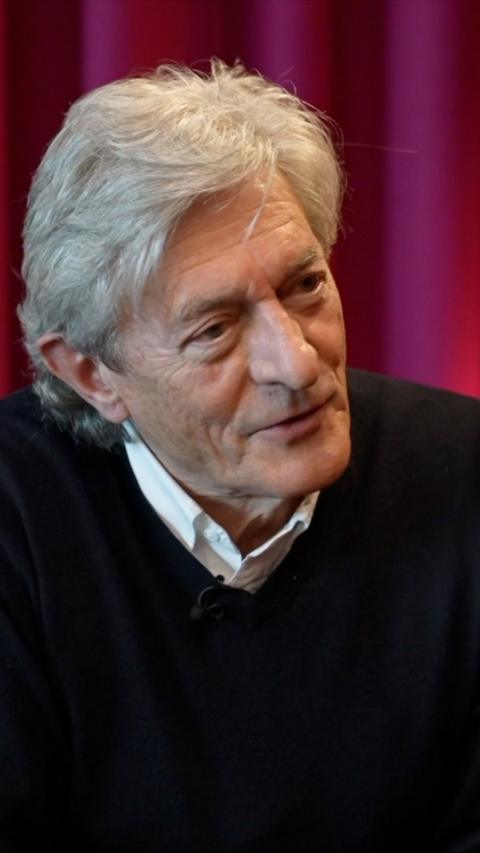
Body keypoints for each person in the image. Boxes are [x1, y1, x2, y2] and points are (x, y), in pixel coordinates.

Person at [1, 60, 479, 853]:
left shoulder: (463, 473)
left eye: (305, 287)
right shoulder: (19, 519)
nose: (295, 363)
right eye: (215, 330)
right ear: (92, 373)